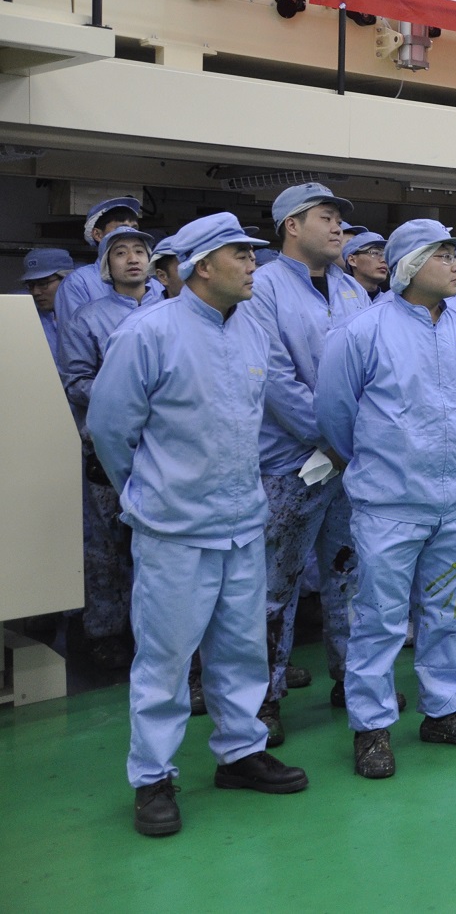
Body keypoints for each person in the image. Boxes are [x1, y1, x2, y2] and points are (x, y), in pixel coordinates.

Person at [87, 212, 307, 837]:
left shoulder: (252, 331)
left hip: (242, 521)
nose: (254, 264)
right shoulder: (148, 333)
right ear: (202, 266)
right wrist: (150, 494)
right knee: (165, 659)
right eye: (241, 254)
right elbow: (109, 429)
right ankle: (152, 777)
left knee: (242, 649)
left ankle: (240, 753)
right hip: (175, 529)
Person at [315, 219, 456, 779]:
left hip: (455, 501)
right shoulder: (363, 332)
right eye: (442, 254)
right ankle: (371, 727)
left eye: (454, 254)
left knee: (448, 612)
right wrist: (379, 466)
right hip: (390, 505)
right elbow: (334, 415)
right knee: (379, 619)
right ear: (409, 266)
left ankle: (444, 710)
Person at [242, 182, 370, 744]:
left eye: (340, 218)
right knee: (276, 585)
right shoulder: (264, 288)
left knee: (349, 576)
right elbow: (274, 379)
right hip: (289, 464)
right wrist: (331, 437)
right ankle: (264, 700)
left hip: (347, 462)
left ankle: (352, 681)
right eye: (326, 216)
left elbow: (371, 371)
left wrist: (351, 442)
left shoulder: (352, 290)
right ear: (291, 226)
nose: (338, 226)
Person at [60, 227, 163, 668]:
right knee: (107, 544)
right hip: (106, 449)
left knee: (160, 545)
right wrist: (125, 393)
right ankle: (104, 631)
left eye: (140, 250)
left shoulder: (172, 309)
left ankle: (155, 635)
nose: (132, 259)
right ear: (106, 265)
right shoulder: (87, 318)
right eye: (120, 253)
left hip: (162, 447)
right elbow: (75, 382)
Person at [55, 196, 164, 327]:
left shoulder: (156, 285)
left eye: (134, 228)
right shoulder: (78, 282)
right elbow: (72, 333)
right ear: (97, 234)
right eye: (121, 227)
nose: (133, 259)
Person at [22, 246, 74, 361]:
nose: (35, 292)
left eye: (43, 283)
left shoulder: (85, 319)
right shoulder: (26, 321)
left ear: (67, 279)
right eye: (30, 285)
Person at [342, 231, 388, 299]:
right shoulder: (338, 297)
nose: (383, 260)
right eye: (375, 253)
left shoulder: (390, 300)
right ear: (352, 260)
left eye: (386, 255)